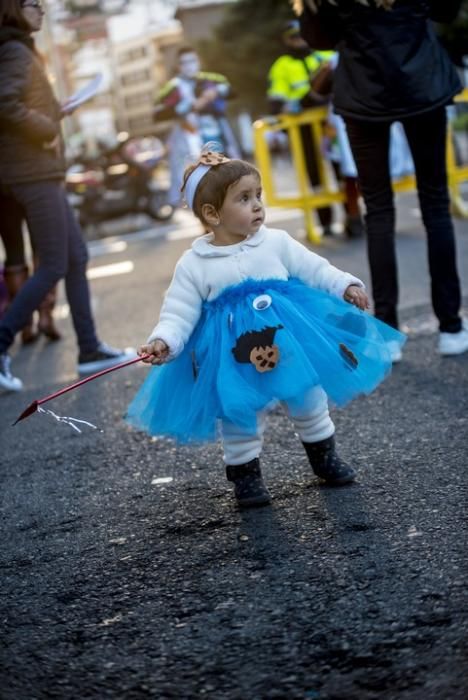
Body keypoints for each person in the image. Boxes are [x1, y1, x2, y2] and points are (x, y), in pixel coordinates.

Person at [126, 148, 406, 508]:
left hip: (288, 340)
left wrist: (344, 285)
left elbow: (314, 268)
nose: (257, 205)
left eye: (257, 195)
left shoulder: (276, 242)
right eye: (244, 199)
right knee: (240, 410)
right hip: (233, 353)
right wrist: (164, 341)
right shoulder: (194, 264)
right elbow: (178, 312)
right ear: (212, 214)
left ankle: (324, 456)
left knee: (308, 396)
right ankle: (245, 475)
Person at [295, 0, 468, 359]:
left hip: (363, 94)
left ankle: (388, 334)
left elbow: (321, 39)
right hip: (423, 85)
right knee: (435, 204)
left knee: (378, 210)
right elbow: (446, 11)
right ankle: (450, 326)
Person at [0, 0, 135, 393]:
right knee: (55, 262)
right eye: (32, 4)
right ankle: (2, 342)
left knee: (76, 257)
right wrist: (45, 126)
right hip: (32, 170)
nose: (41, 10)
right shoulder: (13, 49)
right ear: (11, 9)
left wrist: (52, 112)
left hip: (39, 168)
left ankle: (90, 349)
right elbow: (5, 104)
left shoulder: (18, 47)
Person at [267, 19, 363, 238]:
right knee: (314, 176)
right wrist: (285, 108)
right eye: (293, 36)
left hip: (332, 125)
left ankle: (353, 217)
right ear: (286, 40)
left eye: (301, 34)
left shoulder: (325, 56)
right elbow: (276, 99)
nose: (299, 40)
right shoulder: (282, 65)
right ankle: (325, 222)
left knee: (344, 171)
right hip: (303, 130)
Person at [154, 46, 241, 210]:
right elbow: (157, 112)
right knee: (201, 186)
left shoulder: (212, 79)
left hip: (217, 136)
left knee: (228, 179)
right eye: (184, 62)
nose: (189, 65)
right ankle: (209, 226)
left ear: (198, 61)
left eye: (192, 60)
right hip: (190, 141)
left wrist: (216, 92)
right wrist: (186, 106)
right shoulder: (173, 87)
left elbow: (232, 91)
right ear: (178, 66)